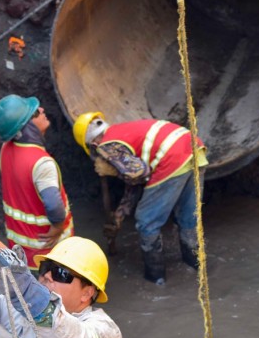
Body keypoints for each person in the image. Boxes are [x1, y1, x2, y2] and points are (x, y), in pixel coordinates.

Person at [72, 113, 208, 285]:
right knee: (188, 217)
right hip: (193, 148)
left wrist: (113, 171)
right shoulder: (120, 132)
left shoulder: (106, 146)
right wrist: (118, 217)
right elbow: (134, 184)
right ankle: (196, 267)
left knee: (147, 222)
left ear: (92, 144)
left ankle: (156, 278)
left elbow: (140, 174)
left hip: (171, 158)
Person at [0, 95, 75, 269]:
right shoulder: (41, 163)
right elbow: (53, 204)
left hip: (22, 253)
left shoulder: (6, 150)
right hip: (50, 254)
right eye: (35, 113)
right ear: (25, 127)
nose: (42, 110)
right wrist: (58, 226)